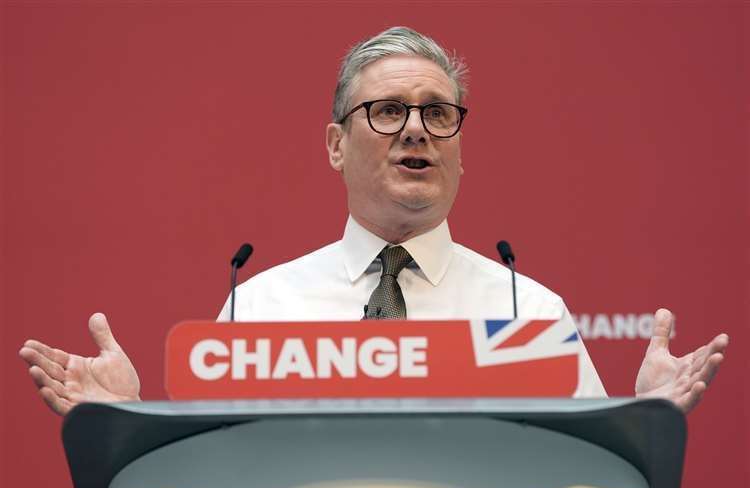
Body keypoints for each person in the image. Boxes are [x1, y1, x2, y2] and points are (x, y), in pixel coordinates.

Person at [19, 26, 728, 416]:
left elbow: (588, 485)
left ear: (458, 146)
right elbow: (210, 479)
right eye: (389, 111)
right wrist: (130, 427)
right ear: (336, 145)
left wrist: (642, 427)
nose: (416, 130)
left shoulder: (529, 313)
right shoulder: (260, 306)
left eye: (438, 113)